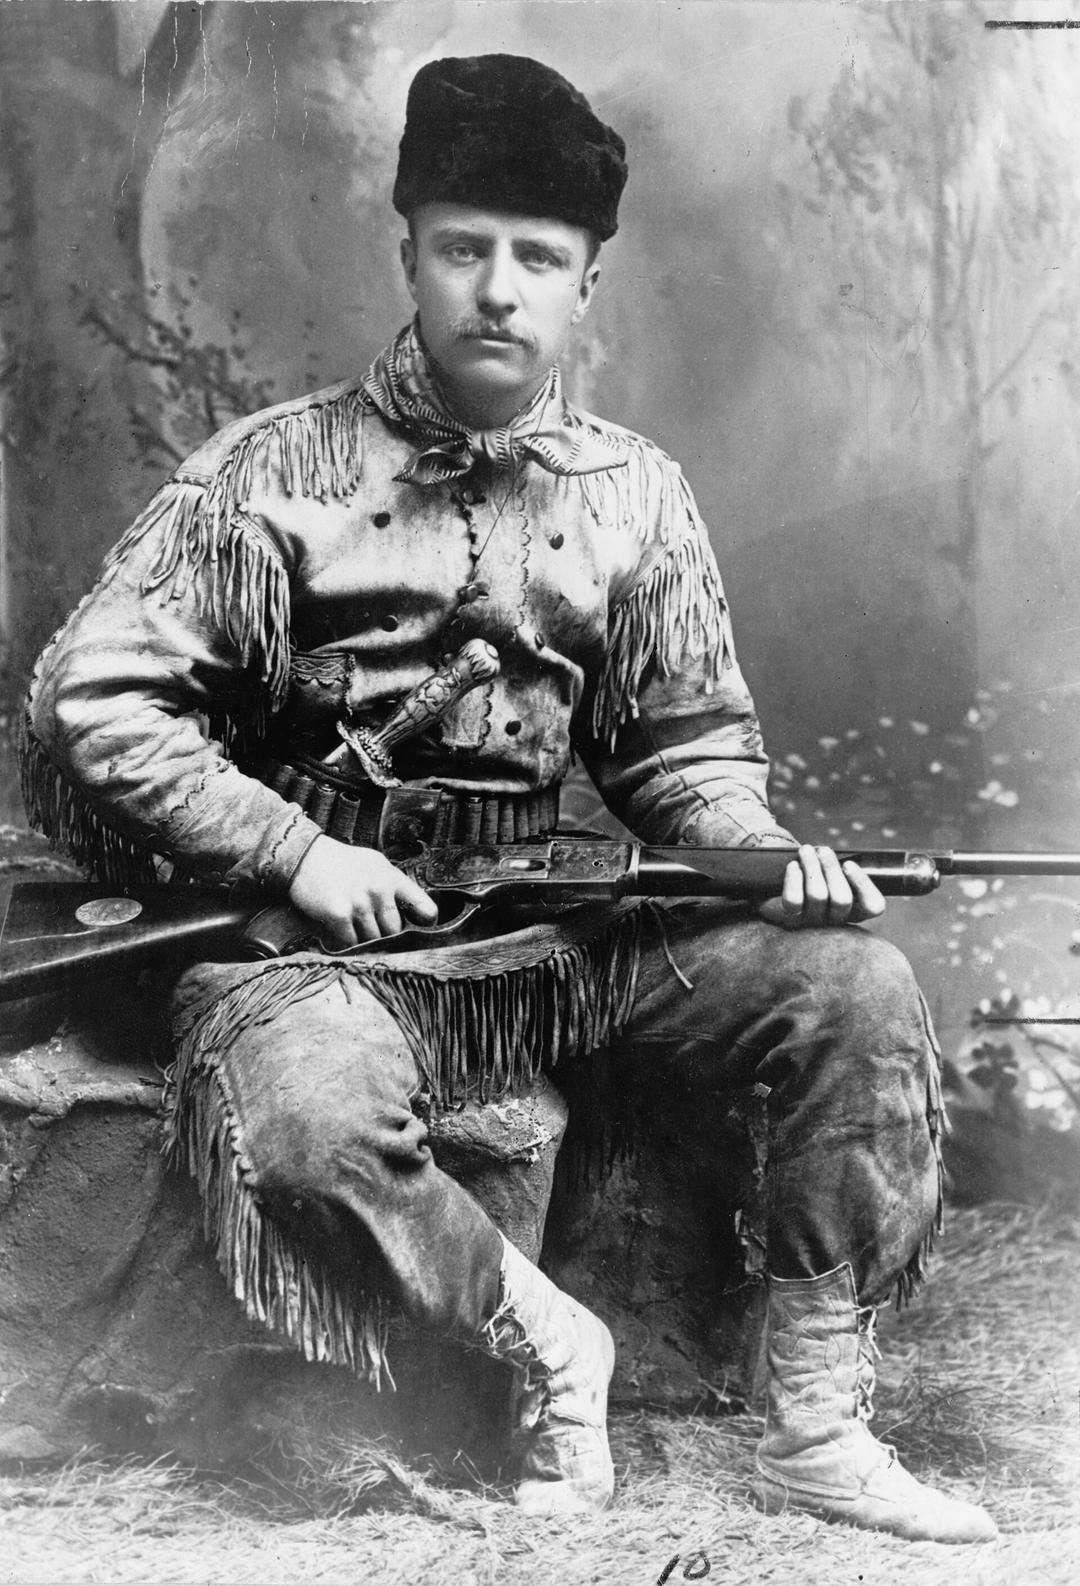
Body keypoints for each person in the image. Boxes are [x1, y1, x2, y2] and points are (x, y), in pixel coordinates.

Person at [21, 55, 996, 1542]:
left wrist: (758, 857)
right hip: (317, 944)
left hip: (549, 933)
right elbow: (95, 698)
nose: (496, 290)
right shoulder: (268, 475)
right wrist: (294, 850)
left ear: (586, 284)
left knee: (855, 988)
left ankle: (814, 1421)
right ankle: (548, 1348)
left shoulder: (634, 493)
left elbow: (683, 753)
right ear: (408, 254)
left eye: (538, 258)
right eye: (463, 247)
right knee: (302, 1120)